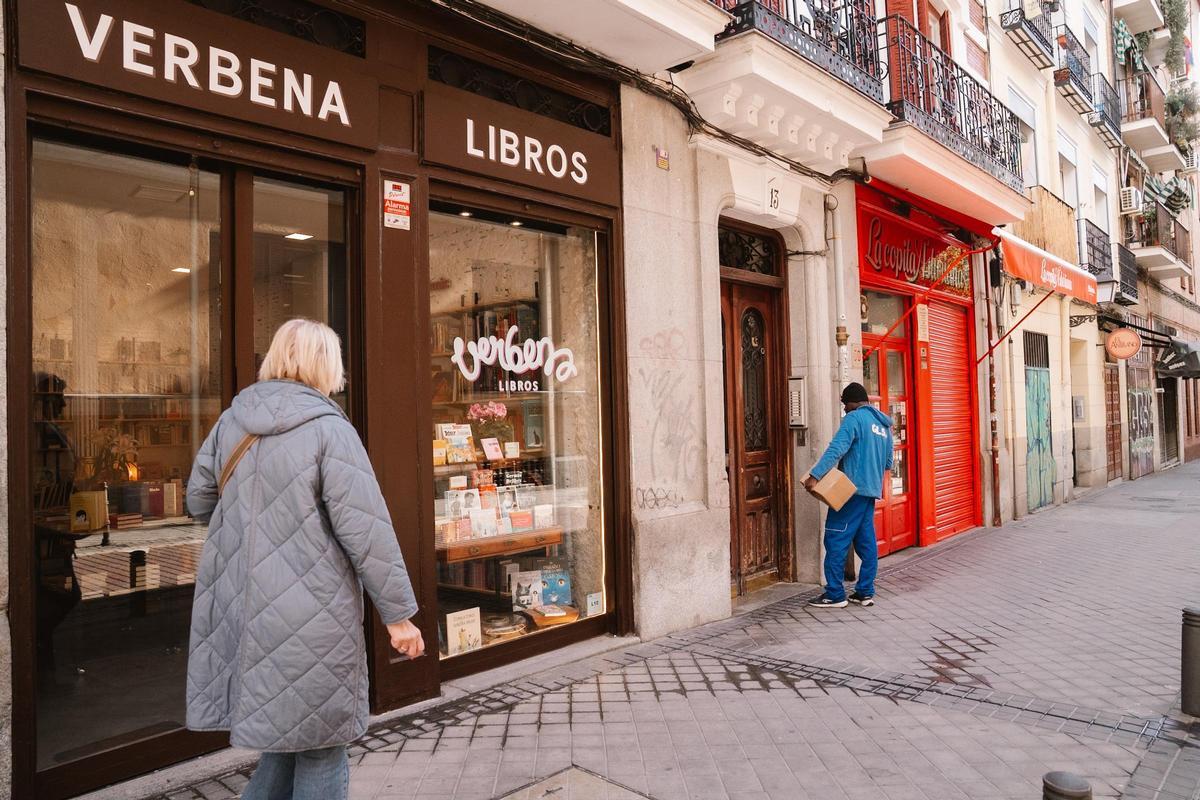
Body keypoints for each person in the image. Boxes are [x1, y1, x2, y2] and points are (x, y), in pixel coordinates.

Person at [185, 319, 423, 800]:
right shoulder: (329, 430)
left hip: (246, 609)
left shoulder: (231, 421)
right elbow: (366, 531)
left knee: (286, 741)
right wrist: (399, 617)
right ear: (326, 365)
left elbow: (198, 501)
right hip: (313, 613)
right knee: (322, 747)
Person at [802, 382, 893, 609]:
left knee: (835, 538)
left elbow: (836, 449)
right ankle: (864, 592)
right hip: (870, 492)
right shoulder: (883, 426)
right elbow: (888, 462)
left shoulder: (854, 419)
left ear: (853, 402)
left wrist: (815, 475)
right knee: (866, 544)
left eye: (845, 404)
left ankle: (834, 594)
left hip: (850, 492)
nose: (844, 409)